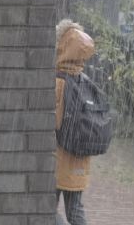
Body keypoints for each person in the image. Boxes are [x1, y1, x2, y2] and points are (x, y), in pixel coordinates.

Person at [55, 19, 95, 225]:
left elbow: (54, 122)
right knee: (76, 211)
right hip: (80, 159)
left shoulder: (58, 82)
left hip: (57, 157)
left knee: (44, 208)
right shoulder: (86, 82)